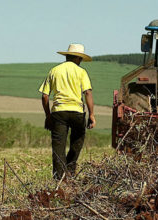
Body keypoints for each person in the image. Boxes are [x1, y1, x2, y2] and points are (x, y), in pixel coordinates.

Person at [39, 43, 96, 179]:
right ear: (78, 58)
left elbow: (45, 95)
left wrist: (48, 116)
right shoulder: (81, 72)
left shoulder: (54, 70)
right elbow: (87, 93)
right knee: (77, 141)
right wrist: (92, 115)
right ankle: (70, 171)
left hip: (59, 112)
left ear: (67, 56)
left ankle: (59, 179)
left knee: (58, 146)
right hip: (77, 112)